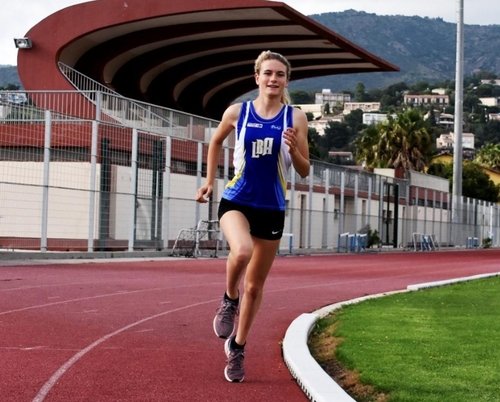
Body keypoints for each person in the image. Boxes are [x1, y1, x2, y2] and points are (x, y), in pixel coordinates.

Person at [195, 50, 310, 383]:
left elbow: (303, 169)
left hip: (272, 206)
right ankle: (229, 298)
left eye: (280, 75)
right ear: (257, 77)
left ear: (286, 80)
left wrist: (293, 149)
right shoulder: (237, 112)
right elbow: (215, 142)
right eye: (268, 73)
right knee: (241, 251)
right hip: (236, 199)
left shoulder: (296, 118)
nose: (274, 79)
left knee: (256, 287)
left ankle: (238, 347)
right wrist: (207, 181)